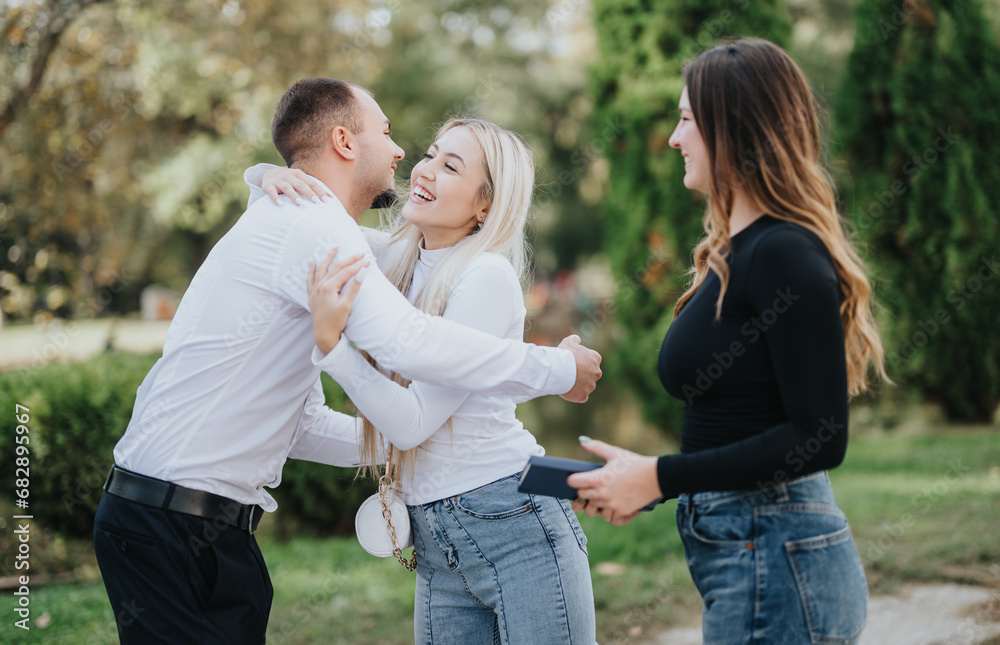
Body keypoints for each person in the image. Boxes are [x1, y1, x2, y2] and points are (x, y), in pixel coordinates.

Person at [93, 78, 602, 644]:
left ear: (487, 204)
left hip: (202, 526)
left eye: (449, 164)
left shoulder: (436, 263)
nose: (407, 155)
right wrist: (557, 370)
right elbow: (405, 344)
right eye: (391, 135)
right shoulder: (327, 230)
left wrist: (264, 182)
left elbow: (314, 423)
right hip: (178, 522)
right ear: (343, 141)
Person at [567, 38, 890, 644]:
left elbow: (819, 435)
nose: (673, 138)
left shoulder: (783, 251)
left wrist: (660, 476)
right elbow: (738, 419)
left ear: (735, 130)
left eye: (687, 119)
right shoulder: (733, 255)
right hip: (752, 547)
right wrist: (644, 481)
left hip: (775, 551)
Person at [252, 118, 597, 644]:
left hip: (513, 521)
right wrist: (265, 176)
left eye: (451, 166)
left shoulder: (485, 276)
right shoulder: (399, 259)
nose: (425, 169)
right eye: (431, 155)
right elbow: (303, 225)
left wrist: (335, 351)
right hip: (438, 538)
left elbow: (412, 425)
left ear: (486, 206)